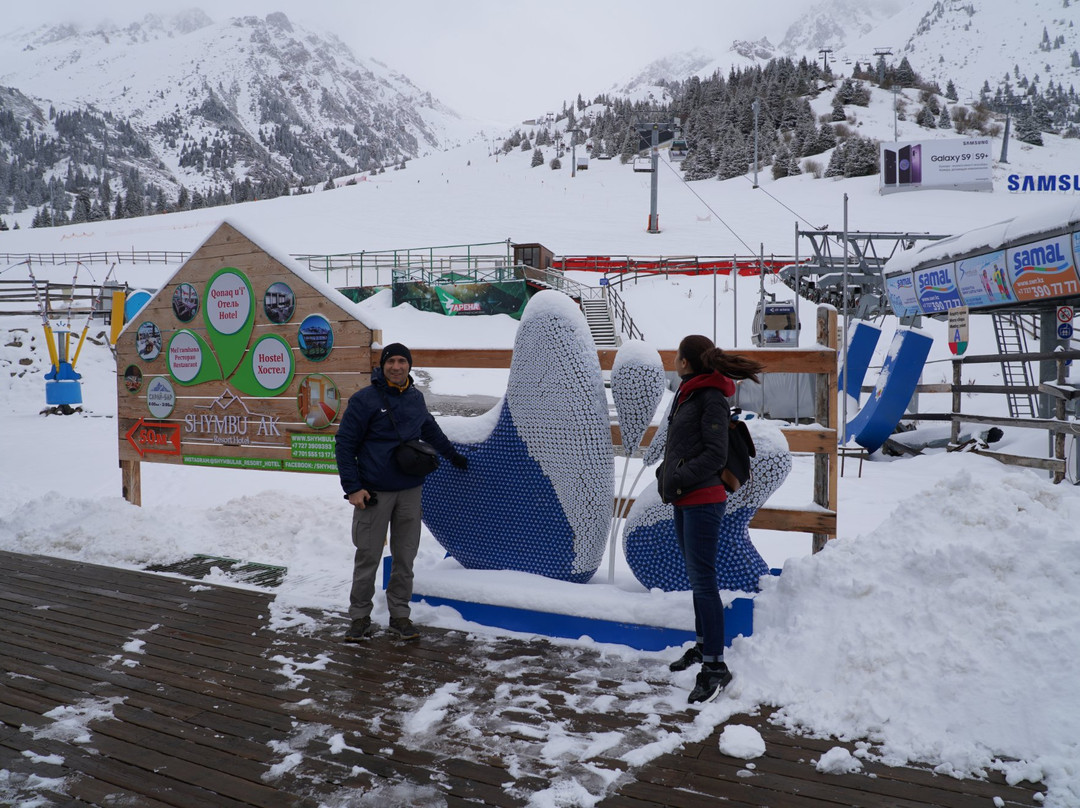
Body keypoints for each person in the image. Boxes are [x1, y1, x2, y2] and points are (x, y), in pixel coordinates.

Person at [335, 342, 468, 642]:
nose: (397, 366)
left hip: (410, 489)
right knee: (368, 557)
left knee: (405, 558)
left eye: (402, 362)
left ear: (409, 366)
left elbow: (430, 430)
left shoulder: (415, 398)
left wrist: (453, 456)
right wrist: (353, 488)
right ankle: (359, 618)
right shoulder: (365, 400)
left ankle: (400, 616)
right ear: (382, 366)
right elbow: (344, 445)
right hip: (374, 494)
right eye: (391, 361)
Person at [657, 334, 764, 704]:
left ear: (686, 362)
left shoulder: (711, 398)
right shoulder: (688, 392)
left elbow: (716, 455)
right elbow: (682, 446)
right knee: (695, 576)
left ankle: (716, 666)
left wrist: (680, 476)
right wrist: (667, 476)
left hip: (703, 499)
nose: (673, 360)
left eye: (676, 355)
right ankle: (704, 647)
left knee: (704, 582)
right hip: (685, 497)